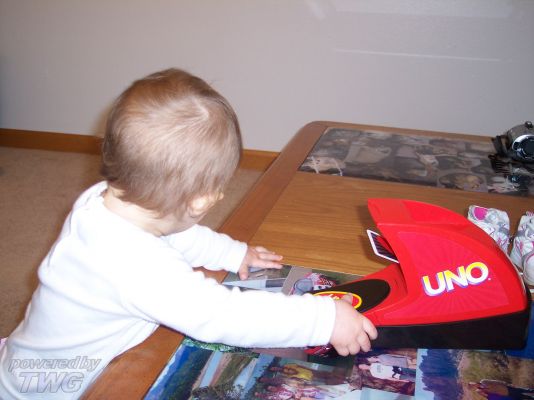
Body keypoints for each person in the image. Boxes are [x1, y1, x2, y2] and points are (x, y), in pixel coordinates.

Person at [0, 69, 377, 399]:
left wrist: (232, 254)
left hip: (27, 358)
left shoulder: (103, 202)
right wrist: (322, 319)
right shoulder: (137, 265)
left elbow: (175, 234)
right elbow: (222, 315)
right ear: (202, 201)